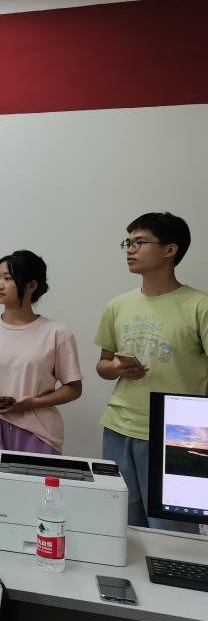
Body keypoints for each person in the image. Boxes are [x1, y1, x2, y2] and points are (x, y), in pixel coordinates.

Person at [95, 212, 208, 530]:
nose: (130, 249)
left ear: (170, 249)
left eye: (140, 242)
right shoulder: (118, 305)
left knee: (175, 535)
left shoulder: (199, 306)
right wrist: (116, 367)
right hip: (119, 426)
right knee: (120, 529)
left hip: (182, 433)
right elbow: (103, 365)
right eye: (128, 242)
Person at [0, 250, 83, 468]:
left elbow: (73, 388)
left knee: (35, 489)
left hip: (38, 431)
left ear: (32, 285)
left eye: (8, 278)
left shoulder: (57, 333)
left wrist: (33, 403)